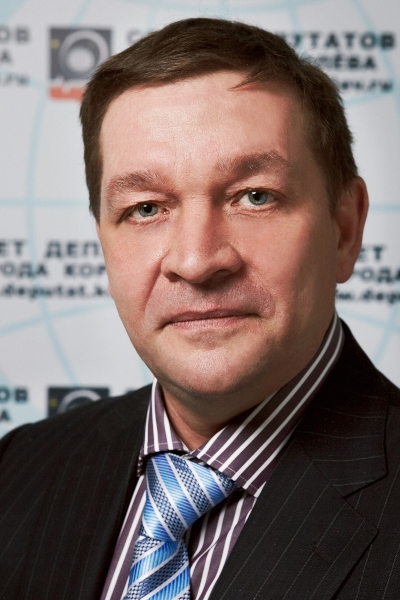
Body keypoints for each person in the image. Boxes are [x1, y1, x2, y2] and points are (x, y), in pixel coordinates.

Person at [0, 17, 399, 600]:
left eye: (254, 197)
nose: (196, 260)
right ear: (103, 240)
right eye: (145, 208)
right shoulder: (19, 470)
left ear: (344, 228)